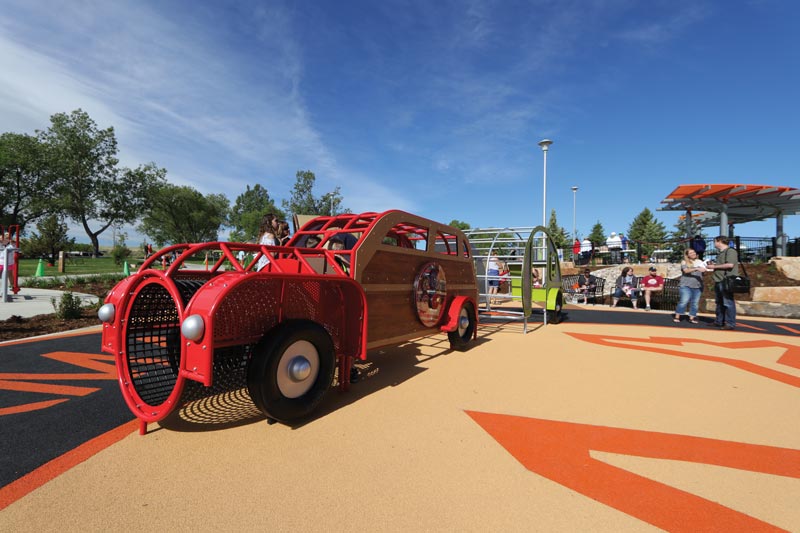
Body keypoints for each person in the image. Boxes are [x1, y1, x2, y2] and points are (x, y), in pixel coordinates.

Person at [705, 235, 739, 330]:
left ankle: (730, 323)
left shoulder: (730, 251)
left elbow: (730, 265)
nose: (714, 243)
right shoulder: (721, 253)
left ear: (719, 241)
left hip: (726, 280)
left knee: (728, 302)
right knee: (719, 302)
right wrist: (714, 265)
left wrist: (714, 267)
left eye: (715, 241)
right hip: (719, 279)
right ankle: (719, 321)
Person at [674, 248, 706, 324]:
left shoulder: (700, 261)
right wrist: (697, 268)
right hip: (686, 285)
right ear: (687, 255)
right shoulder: (684, 262)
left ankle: (692, 317)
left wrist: (705, 270)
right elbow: (686, 271)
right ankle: (677, 316)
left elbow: (703, 273)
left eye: (694, 252)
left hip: (697, 285)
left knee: (695, 302)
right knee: (684, 301)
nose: (693, 254)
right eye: (691, 253)